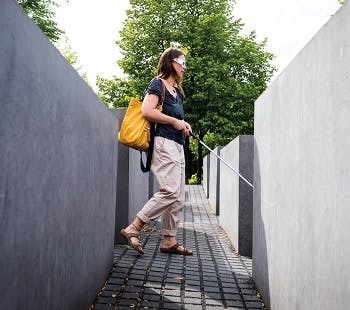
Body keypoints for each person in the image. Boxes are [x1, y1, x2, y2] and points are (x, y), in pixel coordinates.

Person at [121, 47, 193, 255]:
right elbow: (147, 111)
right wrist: (175, 121)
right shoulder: (157, 84)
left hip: (178, 145)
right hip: (163, 143)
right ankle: (134, 227)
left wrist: (183, 125)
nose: (184, 67)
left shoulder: (177, 93)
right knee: (170, 190)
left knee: (178, 196)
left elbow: (175, 120)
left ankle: (169, 240)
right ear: (171, 62)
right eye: (182, 62)